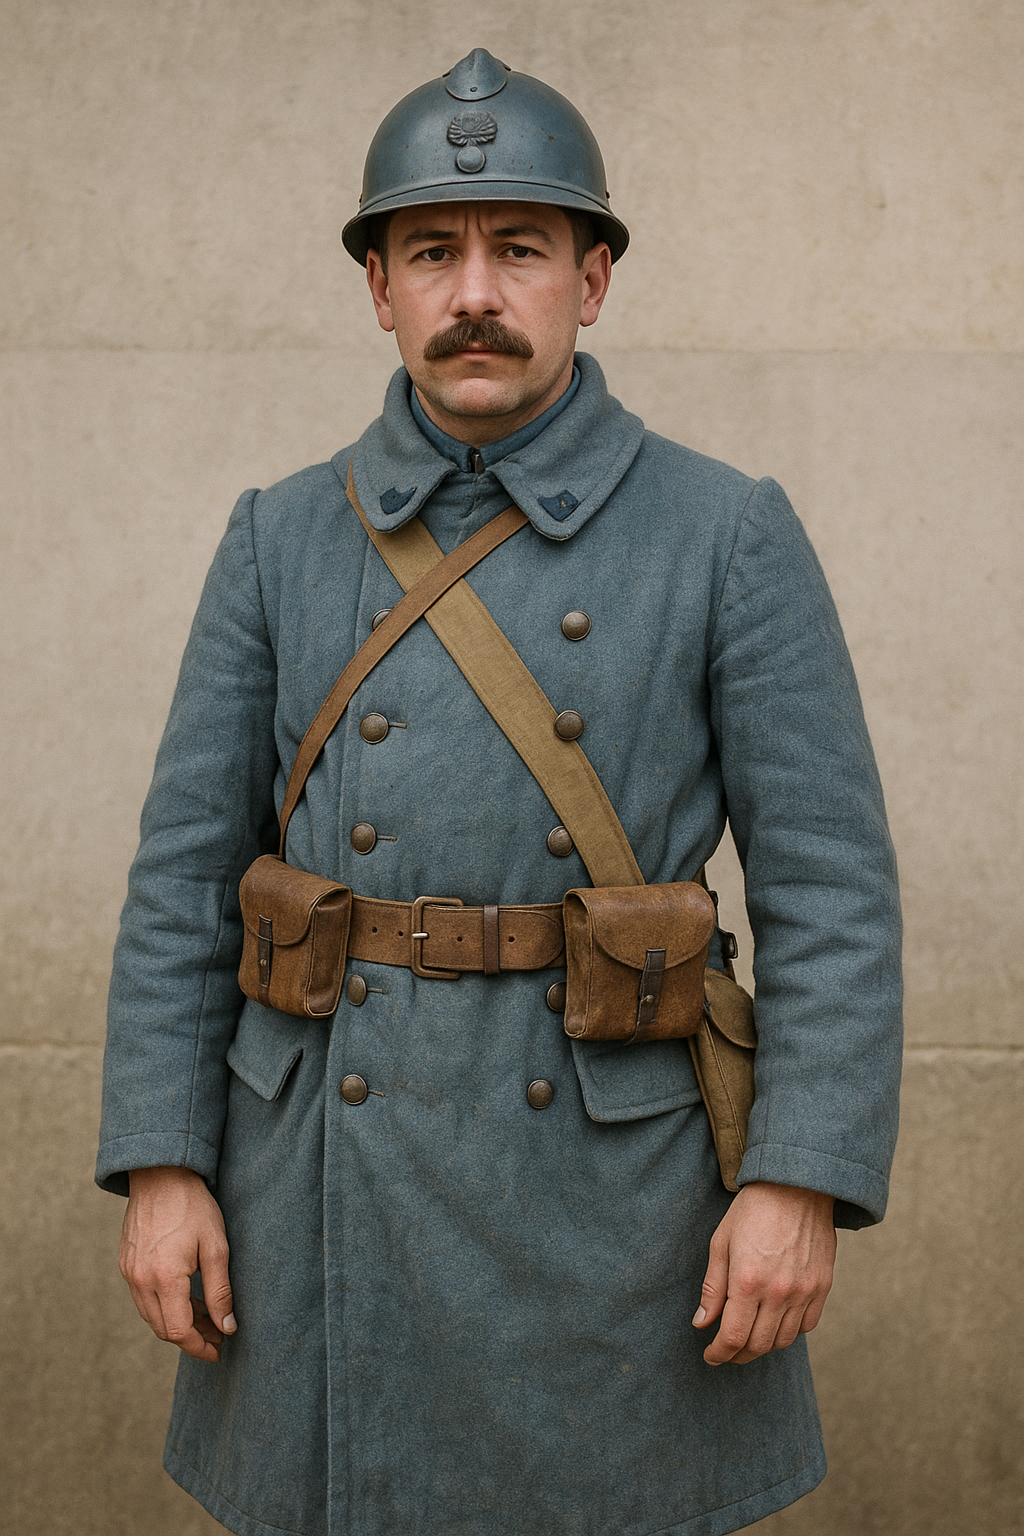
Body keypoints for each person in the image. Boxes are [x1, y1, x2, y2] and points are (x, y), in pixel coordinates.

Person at [98, 47, 902, 1536]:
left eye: (519, 249)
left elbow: (832, 891)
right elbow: (182, 877)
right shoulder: (279, 535)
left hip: (621, 1198)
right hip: (318, 1181)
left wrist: (801, 1180)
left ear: (590, 281)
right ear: (379, 289)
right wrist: (161, 1164)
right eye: (433, 253)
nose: (476, 290)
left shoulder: (727, 532)